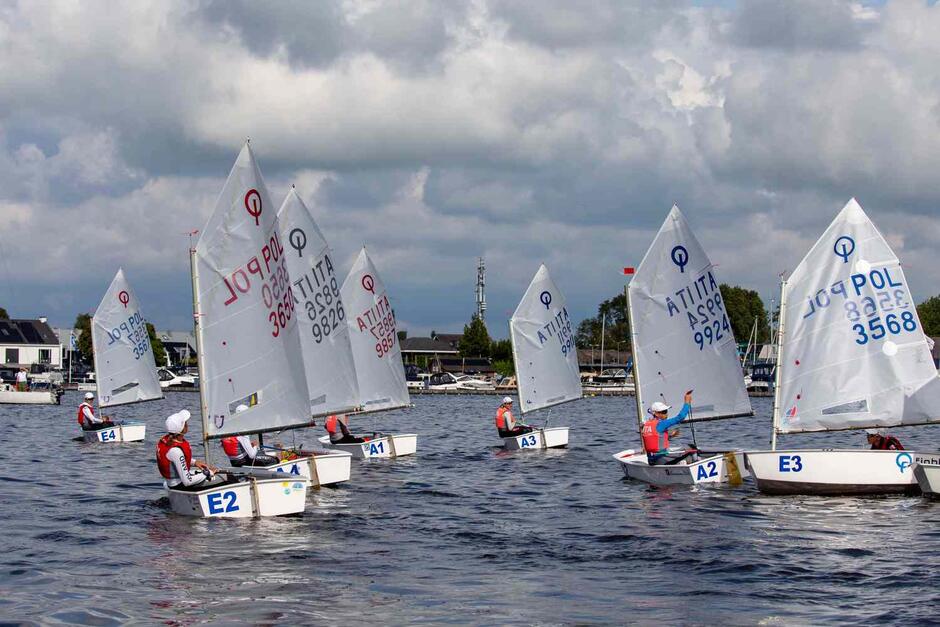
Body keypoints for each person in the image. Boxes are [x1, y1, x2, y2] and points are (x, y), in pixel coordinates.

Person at [156, 410, 219, 491]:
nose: (187, 424)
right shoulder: (175, 451)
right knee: (226, 478)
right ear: (182, 428)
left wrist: (195, 462)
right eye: (185, 423)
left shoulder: (166, 441)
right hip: (179, 485)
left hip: (173, 482)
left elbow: (175, 461)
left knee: (204, 472)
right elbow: (187, 481)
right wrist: (209, 473)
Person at [642, 391, 696, 465]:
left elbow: (654, 439)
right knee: (691, 447)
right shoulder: (662, 423)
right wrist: (687, 402)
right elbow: (680, 417)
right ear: (656, 414)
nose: (666, 414)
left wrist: (670, 436)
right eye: (664, 412)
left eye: (666, 411)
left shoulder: (646, 424)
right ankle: (695, 463)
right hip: (662, 459)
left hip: (652, 461)